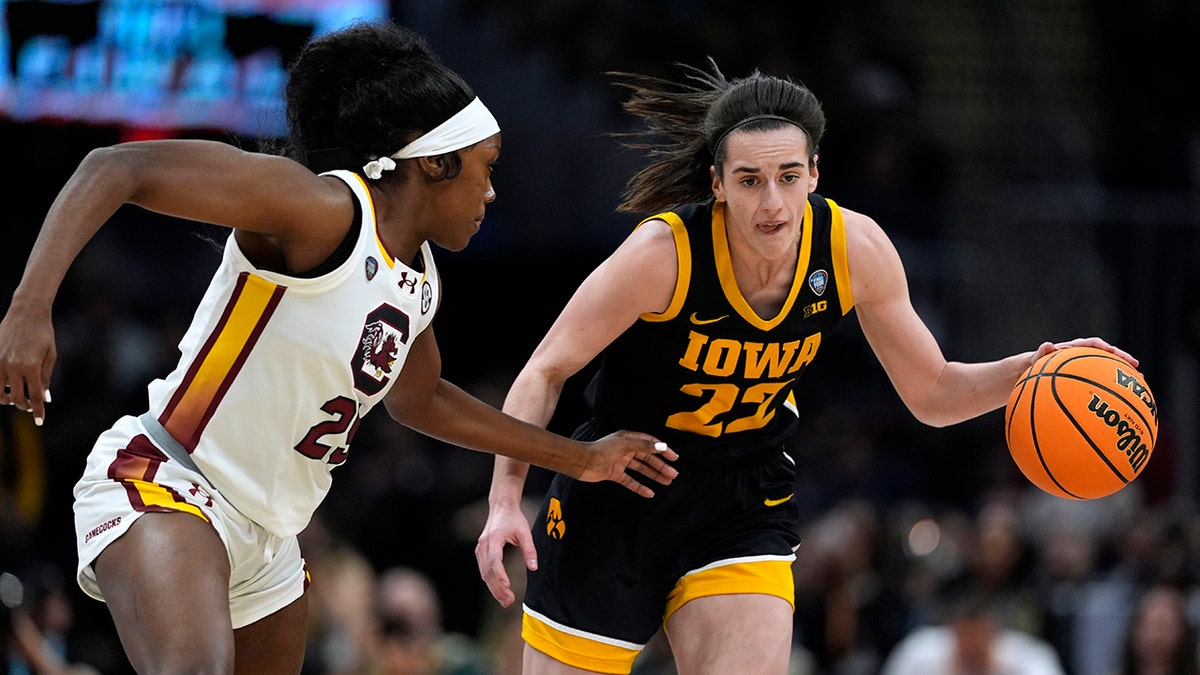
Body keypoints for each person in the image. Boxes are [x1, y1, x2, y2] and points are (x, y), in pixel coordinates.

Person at [0, 19, 679, 675]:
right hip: (169, 481)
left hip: (270, 538)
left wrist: (580, 457)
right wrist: (30, 308)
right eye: (485, 167)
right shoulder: (320, 210)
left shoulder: (418, 281)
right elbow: (115, 166)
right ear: (437, 163)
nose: (493, 191)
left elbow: (424, 400)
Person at [473, 59, 1136, 674]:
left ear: (814, 172)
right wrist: (505, 497)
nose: (773, 204)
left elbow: (933, 391)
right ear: (717, 183)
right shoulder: (663, 255)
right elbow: (544, 371)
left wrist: (1039, 368)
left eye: (789, 176)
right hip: (621, 492)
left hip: (741, 496)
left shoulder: (853, 249)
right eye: (750, 180)